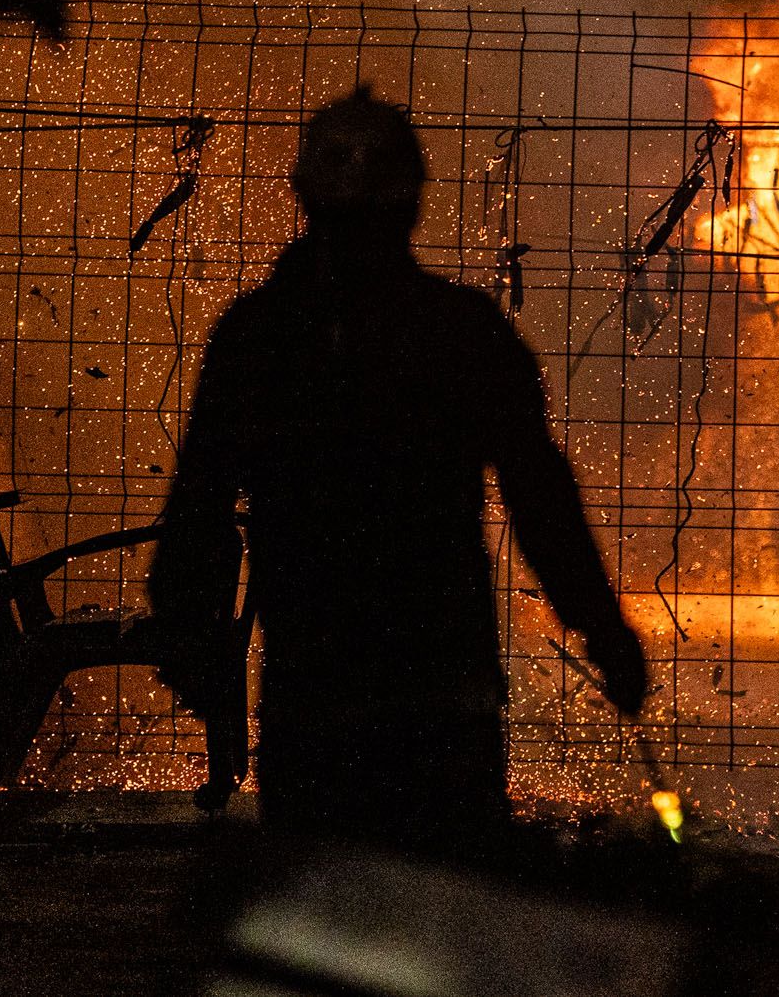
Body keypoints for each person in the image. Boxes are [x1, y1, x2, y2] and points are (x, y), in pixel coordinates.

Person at [148, 87, 646, 861]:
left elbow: (199, 506)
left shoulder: (258, 339)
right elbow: (539, 497)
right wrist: (605, 631)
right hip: (443, 691)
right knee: (448, 925)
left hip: (313, 694)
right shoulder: (461, 333)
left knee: (320, 923)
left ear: (303, 196)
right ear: (413, 203)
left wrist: (187, 639)